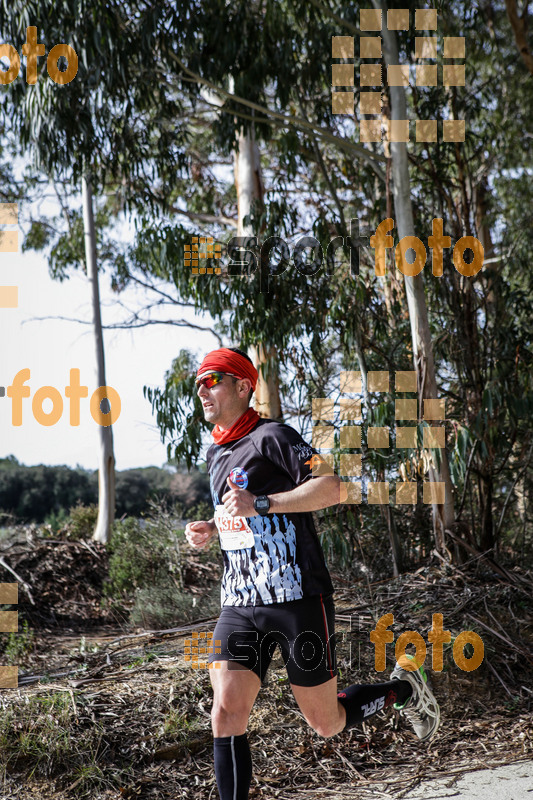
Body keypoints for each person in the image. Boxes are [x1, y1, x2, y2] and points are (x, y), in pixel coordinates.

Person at [185, 346, 440, 800]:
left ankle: (404, 688)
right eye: (198, 382)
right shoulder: (215, 452)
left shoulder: (274, 437)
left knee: (326, 723)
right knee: (225, 713)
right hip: (239, 604)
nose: (202, 389)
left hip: (297, 597)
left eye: (213, 380)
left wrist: (261, 503)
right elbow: (239, 511)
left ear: (244, 386)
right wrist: (213, 526)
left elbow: (332, 487)